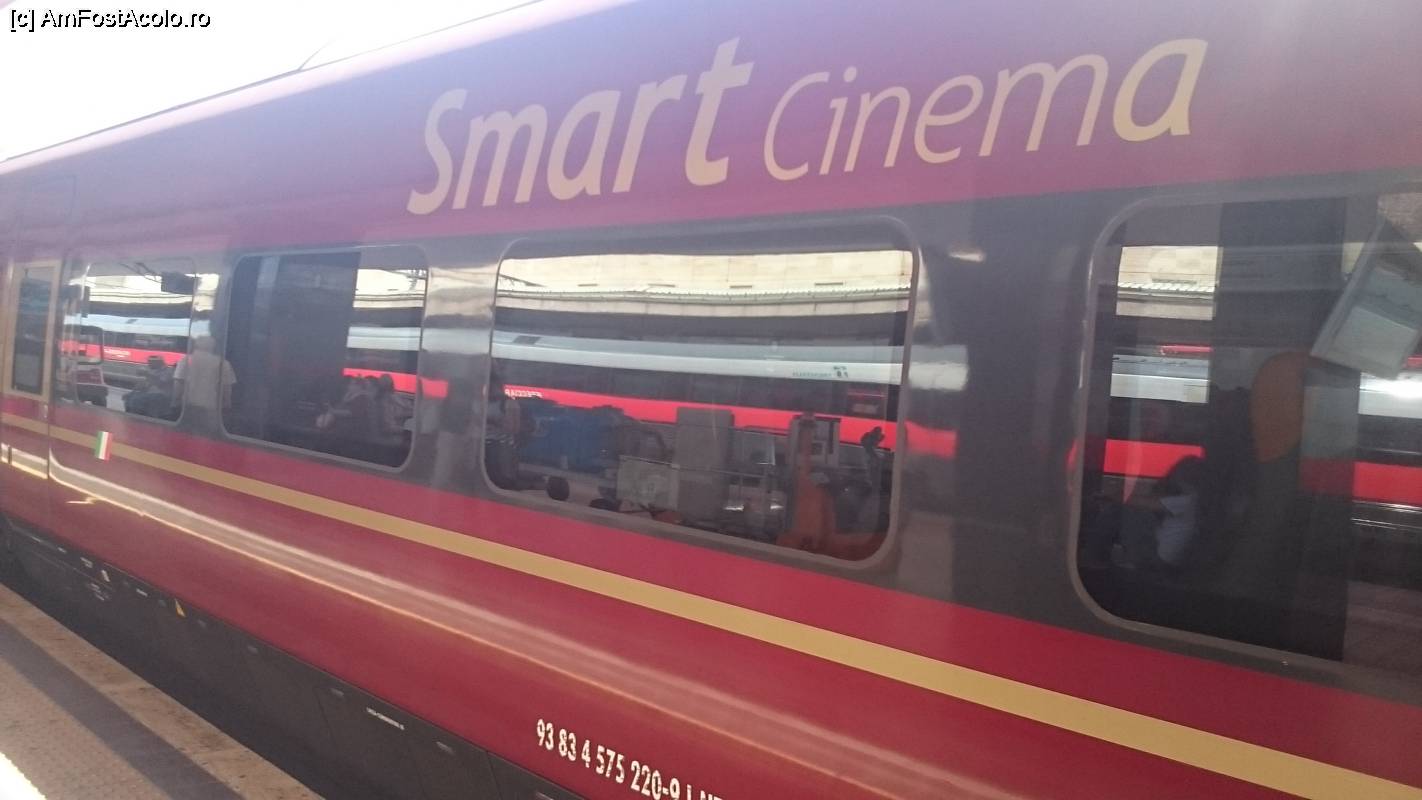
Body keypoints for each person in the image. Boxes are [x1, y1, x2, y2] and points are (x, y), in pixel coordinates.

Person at [173, 335, 237, 414]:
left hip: (188, 406)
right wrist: (227, 405)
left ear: (195, 345)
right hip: (211, 407)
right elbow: (226, 388)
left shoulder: (185, 360)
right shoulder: (223, 363)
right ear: (213, 346)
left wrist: (176, 403)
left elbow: (178, 384)